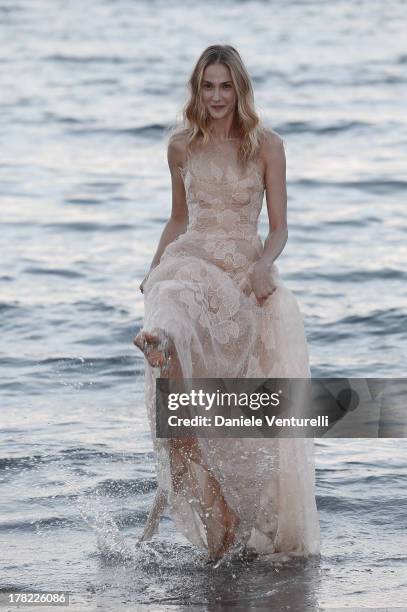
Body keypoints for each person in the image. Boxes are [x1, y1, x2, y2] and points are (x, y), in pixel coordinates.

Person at [133, 44, 320, 563]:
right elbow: (178, 221)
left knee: (233, 416)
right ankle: (162, 344)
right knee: (170, 295)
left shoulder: (267, 146)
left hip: (241, 270)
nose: (216, 96)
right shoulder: (180, 147)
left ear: (240, 89)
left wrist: (262, 265)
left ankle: (235, 520)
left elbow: (279, 229)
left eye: (225, 86)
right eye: (207, 86)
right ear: (197, 90)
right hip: (193, 257)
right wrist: (151, 272)